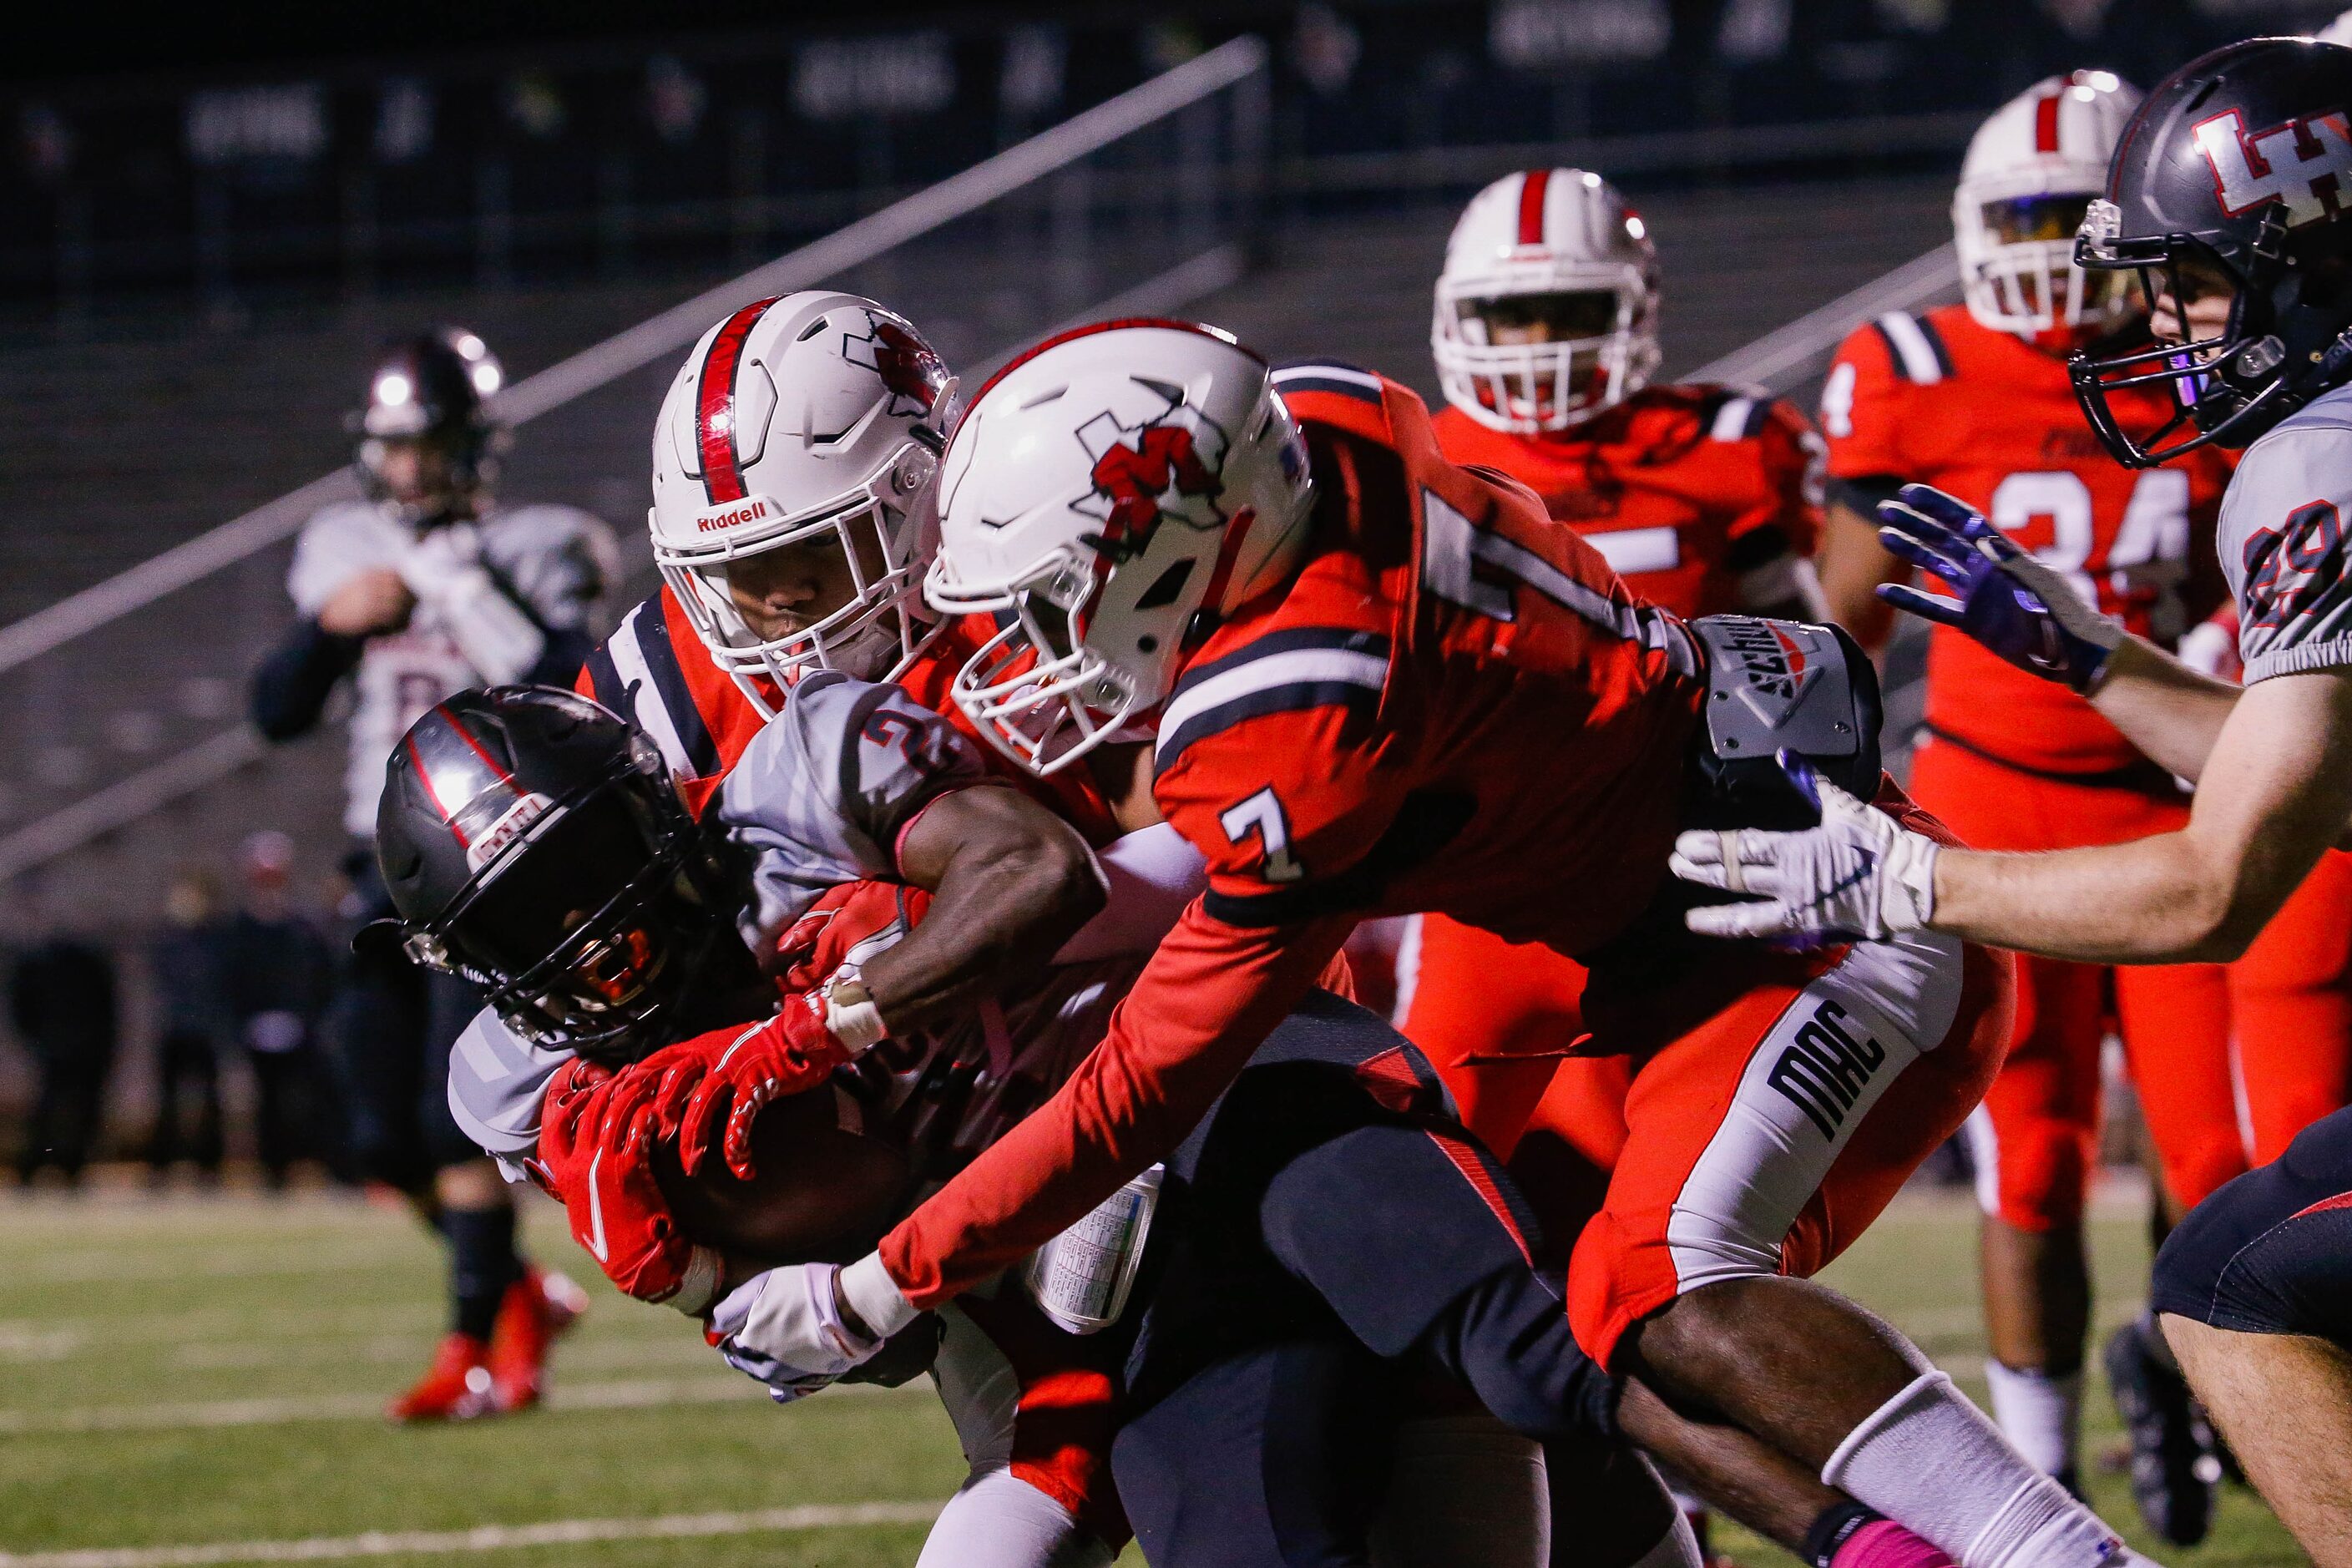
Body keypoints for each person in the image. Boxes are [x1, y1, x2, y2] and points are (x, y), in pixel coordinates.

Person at [453, 296, 1957, 1568]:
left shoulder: (1058, 542)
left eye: (809, 559)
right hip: (967, 1158)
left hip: (1224, 1038)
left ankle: (1904, 1534)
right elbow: (574, 987)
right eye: (733, 575)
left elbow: (1217, 858)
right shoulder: (657, 696)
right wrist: (726, 1224)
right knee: (1114, 1458)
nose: (773, 615)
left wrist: (859, 1009)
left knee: (1501, 1337)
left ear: (930, 487)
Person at [1657, 38, 2352, 1565]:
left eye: (2201, 281)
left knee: (2234, 1280)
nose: (2165, 325)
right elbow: (2319, 771)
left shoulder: (2319, 456)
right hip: (2065, 775)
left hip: (2109, 842)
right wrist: (2089, 655)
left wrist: (1902, 882)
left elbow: (2208, 885)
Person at [1808, 71, 2249, 1530]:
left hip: (2181, 797)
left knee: (2216, 1152)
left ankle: (2186, 1384)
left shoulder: (2212, 351)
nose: (2056, 245)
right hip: (1993, 798)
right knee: (2033, 1152)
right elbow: (1844, 621)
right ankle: (2042, 1467)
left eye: (2080, 216)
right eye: (2026, 217)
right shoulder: (1911, 364)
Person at [247, 326, 611, 1419]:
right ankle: (517, 1294)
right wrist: (329, 626)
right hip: (380, 853)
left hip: (493, 853)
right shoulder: (342, 543)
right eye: (394, 446)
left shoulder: (544, 544)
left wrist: (464, 594)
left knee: (449, 1113)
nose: (408, 467)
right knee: (371, 1126)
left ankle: (473, 1344)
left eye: (429, 443)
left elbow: (574, 689)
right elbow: (275, 710)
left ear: (473, 442)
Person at [221, 832, 336, 1187]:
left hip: (299, 1026)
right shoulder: (241, 928)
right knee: (267, 1102)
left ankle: (314, 1164)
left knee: (306, 1099)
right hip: (257, 1026)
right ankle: (274, 1171)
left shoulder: (301, 926)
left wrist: (305, 1016)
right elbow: (232, 979)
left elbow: (316, 976)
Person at [8, 896, 118, 1189]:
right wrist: (38, 1042)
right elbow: (22, 1009)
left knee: (83, 1110)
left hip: (86, 1049)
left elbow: (107, 1008)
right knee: (47, 1110)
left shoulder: (90, 962)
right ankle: (33, 1167)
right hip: (55, 1049)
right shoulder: (37, 963)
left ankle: (72, 1168)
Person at [147, 865, 230, 1185]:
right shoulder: (168, 939)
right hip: (175, 1030)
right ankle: (161, 1164)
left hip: (204, 1030)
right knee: (167, 1101)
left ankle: (209, 1165)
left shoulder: (216, 938)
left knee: (209, 1100)